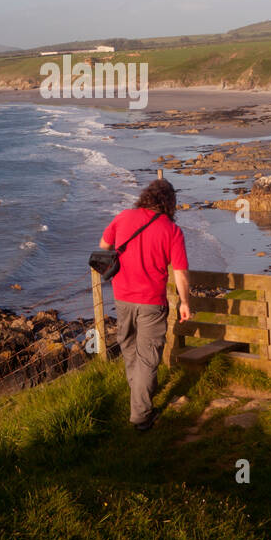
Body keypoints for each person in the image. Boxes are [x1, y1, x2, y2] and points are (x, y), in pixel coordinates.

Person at [98, 178, 191, 433]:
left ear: (146, 196)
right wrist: (185, 303)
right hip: (151, 302)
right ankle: (141, 417)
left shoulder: (124, 217)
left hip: (122, 297)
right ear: (170, 203)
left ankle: (138, 397)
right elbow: (180, 273)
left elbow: (103, 246)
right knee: (148, 358)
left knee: (130, 349)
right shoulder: (171, 231)